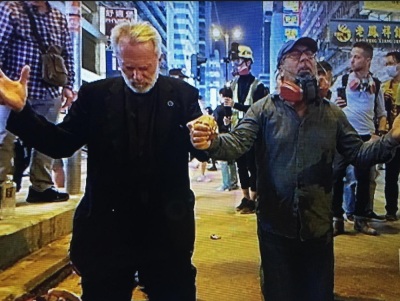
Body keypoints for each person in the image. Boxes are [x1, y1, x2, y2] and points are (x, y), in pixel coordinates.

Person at [0, 20, 208, 301]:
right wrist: (23, 111)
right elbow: (60, 142)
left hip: (166, 230)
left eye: (145, 68)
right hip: (107, 232)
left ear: (159, 58)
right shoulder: (94, 96)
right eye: (128, 67)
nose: (136, 76)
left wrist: (207, 136)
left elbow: (202, 147)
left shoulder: (183, 95)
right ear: (116, 58)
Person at [188, 37, 400, 301]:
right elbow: (236, 143)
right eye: (296, 54)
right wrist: (212, 141)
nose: (305, 59)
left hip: (318, 227)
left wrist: (391, 137)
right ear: (281, 67)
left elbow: (359, 153)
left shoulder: (331, 114)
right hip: (275, 226)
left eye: (310, 54)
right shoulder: (263, 110)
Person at [0, 1, 75, 203]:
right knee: (4, 141)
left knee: (46, 141)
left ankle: (41, 187)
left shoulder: (58, 17)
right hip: (12, 90)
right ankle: (1, 188)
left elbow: (66, 53)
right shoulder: (11, 9)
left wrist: (69, 85)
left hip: (48, 90)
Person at [330, 41, 388, 236]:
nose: (352, 60)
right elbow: (329, 107)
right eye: (351, 56)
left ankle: (361, 220)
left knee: (365, 179)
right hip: (344, 136)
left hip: (366, 138)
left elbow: (381, 113)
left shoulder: (376, 84)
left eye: (356, 56)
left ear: (368, 60)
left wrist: (378, 134)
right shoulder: (343, 81)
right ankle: (337, 219)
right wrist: (335, 104)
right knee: (336, 177)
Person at [224, 43, 267, 213]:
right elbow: (228, 104)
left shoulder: (258, 86)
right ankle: (245, 197)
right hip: (236, 130)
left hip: (252, 132)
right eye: (235, 61)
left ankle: (255, 199)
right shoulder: (233, 84)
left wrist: (235, 105)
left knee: (252, 165)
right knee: (240, 164)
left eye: (240, 61)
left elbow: (255, 109)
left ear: (249, 62)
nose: (236, 64)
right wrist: (227, 116)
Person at [382, 51, 400, 221]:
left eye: (391, 63)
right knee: (390, 176)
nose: (389, 67)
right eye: (386, 64)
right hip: (391, 138)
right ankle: (390, 210)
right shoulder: (384, 87)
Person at [213, 86, 238, 191]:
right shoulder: (235, 108)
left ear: (222, 96)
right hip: (233, 135)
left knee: (223, 161)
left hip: (222, 136)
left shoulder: (218, 109)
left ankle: (226, 184)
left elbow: (214, 123)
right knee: (231, 160)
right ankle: (234, 182)